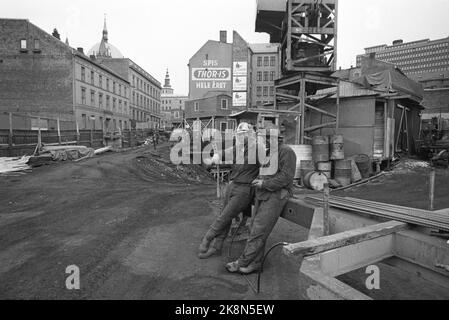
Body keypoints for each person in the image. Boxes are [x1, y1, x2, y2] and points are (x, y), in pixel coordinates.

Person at [225, 129, 297, 274]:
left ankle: (242, 262)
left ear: (275, 138)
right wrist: (258, 180)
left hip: (276, 195)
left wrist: (264, 184)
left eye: (266, 138)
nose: (264, 141)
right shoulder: (270, 152)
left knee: (258, 231)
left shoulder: (286, 152)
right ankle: (255, 263)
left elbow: (286, 177)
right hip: (263, 194)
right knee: (255, 229)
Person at [198, 122, 261, 259]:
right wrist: (214, 158)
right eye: (239, 135)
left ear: (250, 134)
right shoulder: (238, 148)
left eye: (244, 134)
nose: (241, 137)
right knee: (224, 215)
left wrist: (264, 181)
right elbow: (223, 154)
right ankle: (217, 247)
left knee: (225, 216)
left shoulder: (257, 149)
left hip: (245, 188)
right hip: (232, 185)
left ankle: (207, 239)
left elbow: (266, 166)